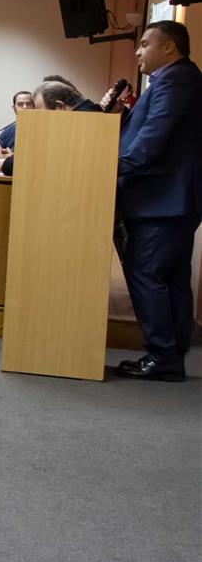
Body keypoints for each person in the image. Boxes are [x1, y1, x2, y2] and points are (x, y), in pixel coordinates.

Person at [113, 21, 201, 382]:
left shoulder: (175, 80)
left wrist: (103, 168)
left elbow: (150, 143)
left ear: (169, 47)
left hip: (162, 200)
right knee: (172, 276)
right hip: (171, 200)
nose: (138, 51)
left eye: (145, 43)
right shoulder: (178, 79)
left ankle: (162, 356)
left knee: (146, 272)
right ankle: (172, 353)